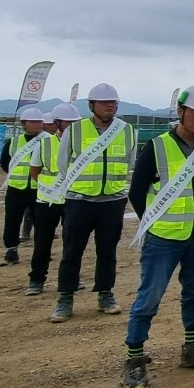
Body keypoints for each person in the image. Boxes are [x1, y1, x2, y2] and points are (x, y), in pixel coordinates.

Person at [119, 84, 194, 388]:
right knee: (148, 298)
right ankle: (134, 359)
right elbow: (137, 193)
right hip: (163, 239)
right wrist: (154, 224)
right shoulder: (156, 147)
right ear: (180, 112)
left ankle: (193, 348)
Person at [50, 83, 137, 323]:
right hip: (80, 201)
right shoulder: (75, 131)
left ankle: (105, 294)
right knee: (72, 250)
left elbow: (130, 161)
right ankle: (65, 298)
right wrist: (82, 187)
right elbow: (63, 163)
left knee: (107, 250)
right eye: (105, 102)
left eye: (114, 102)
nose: (111, 106)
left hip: (113, 200)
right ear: (91, 105)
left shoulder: (127, 130)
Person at [25, 103, 79, 294]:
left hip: (73, 199)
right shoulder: (45, 144)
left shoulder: (82, 143)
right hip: (47, 200)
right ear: (57, 123)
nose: (73, 126)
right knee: (42, 241)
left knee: (72, 241)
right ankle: (37, 279)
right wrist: (50, 187)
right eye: (68, 122)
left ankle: (69, 280)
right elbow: (35, 171)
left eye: (75, 122)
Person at [0, 105, 45, 267]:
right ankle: (11, 250)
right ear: (23, 123)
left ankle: (41, 250)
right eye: (33, 122)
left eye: (39, 121)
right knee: (12, 219)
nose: (37, 124)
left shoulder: (47, 141)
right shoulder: (13, 142)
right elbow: (5, 163)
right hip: (16, 189)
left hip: (38, 189)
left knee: (41, 221)